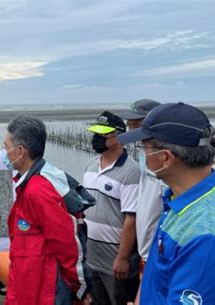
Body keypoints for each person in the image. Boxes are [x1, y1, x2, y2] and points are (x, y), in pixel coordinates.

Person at [117, 102, 215, 304]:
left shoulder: (206, 236)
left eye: (144, 146)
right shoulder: (183, 198)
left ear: (165, 158)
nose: (142, 154)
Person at [3, 115, 91, 305]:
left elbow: (66, 243)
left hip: (45, 290)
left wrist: (80, 289)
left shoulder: (38, 190)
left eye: (6, 147)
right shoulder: (28, 183)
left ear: (20, 151)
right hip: (29, 284)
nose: (5, 153)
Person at [82, 111, 141, 305]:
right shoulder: (90, 165)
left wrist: (123, 258)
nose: (96, 138)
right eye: (96, 133)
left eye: (103, 134)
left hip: (115, 259)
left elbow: (131, 219)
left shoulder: (131, 171)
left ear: (119, 136)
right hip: (92, 256)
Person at [117, 99, 163, 304]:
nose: (132, 127)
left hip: (159, 255)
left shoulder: (164, 169)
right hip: (146, 254)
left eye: (137, 123)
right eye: (130, 124)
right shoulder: (144, 160)